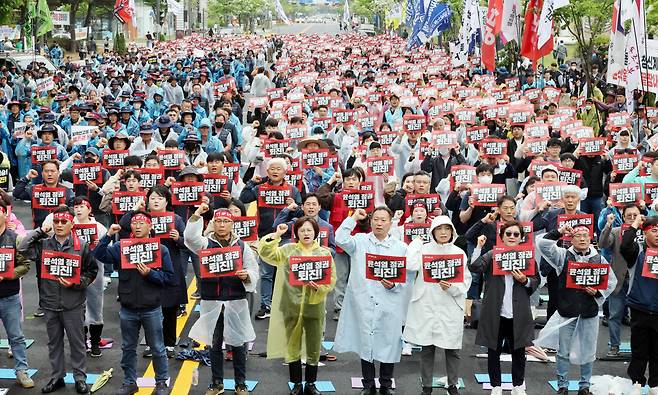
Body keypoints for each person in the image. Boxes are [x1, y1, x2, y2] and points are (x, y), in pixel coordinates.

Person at [18, 206, 97, 394]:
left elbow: (91, 272)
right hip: (50, 303)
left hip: (73, 303)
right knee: (54, 343)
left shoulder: (81, 245)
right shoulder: (44, 244)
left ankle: (80, 378)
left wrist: (76, 283)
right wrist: (41, 230)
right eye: (56, 221)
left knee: (77, 343)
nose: (59, 225)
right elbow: (22, 247)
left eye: (63, 221)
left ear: (72, 223)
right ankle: (57, 377)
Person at [94, 211, 174, 395]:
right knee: (128, 348)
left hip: (151, 307)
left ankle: (161, 382)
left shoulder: (160, 249)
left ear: (150, 226)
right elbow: (99, 254)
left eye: (141, 223)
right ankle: (130, 382)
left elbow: (169, 278)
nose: (137, 226)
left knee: (158, 348)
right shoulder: (121, 246)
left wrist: (151, 274)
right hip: (128, 307)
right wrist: (107, 235)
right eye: (134, 223)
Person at [335, 207, 412, 395]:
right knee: (366, 343)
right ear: (370, 221)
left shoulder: (400, 247)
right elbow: (339, 238)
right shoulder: (360, 241)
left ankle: (386, 384)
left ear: (390, 222)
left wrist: (394, 285)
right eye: (375, 219)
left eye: (383, 220)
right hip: (364, 301)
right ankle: (368, 384)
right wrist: (353, 218)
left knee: (389, 342)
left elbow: (408, 277)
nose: (379, 223)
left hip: (389, 301)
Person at [185, 206, 258, 395]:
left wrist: (247, 276)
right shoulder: (205, 244)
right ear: (212, 223)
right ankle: (216, 383)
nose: (222, 225)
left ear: (232, 224)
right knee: (214, 344)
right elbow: (190, 238)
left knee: (239, 344)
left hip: (236, 300)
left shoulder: (242, 246)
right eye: (218, 221)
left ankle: (240, 383)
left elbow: (253, 268)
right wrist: (196, 215)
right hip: (212, 301)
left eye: (226, 221)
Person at [536, 223, 617, 395]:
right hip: (567, 311)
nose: (582, 239)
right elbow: (542, 244)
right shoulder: (562, 256)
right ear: (571, 239)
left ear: (590, 239)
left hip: (589, 312)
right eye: (578, 236)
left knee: (588, 351)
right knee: (563, 351)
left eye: (585, 236)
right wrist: (558, 232)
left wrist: (597, 292)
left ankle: (584, 386)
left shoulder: (599, 259)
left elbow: (611, 282)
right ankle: (563, 386)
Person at [258, 217, 336, 395]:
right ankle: (296, 384)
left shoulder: (324, 254)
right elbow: (265, 252)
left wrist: (321, 287)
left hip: (314, 306)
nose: (306, 234)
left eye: (309, 230)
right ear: (296, 233)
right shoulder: (288, 250)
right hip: (290, 306)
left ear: (316, 232)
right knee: (292, 345)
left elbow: (331, 280)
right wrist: (276, 234)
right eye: (302, 230)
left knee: (314, 345)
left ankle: (310, 383)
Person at [469, 221, 540, 395]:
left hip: (518, 311)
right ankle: (496, 386)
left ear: (522, 237)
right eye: (508, 234)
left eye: (516, 234)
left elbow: (536, 280)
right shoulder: (493, 254)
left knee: (519, 351)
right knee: (494, 350)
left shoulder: (527, 256)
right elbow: (475, 267)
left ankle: (518, 385)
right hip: (495, 311)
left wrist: (525, 281)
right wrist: (478, 247)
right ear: (501, 236)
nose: (512, 237)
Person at [404, 215, 471, 395]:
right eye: (439, 229)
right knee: (427, 348)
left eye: (447, 229)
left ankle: (452, 385)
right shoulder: (424, 250)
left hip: (450, 305)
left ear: (452, 232)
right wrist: (416, 243)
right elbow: (410, 265)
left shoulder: (459, 253)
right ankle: (426, 386)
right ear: (432, 232)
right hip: (427, 305)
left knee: (452, 349)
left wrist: (453, 288)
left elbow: (466, 280)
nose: (443, 232)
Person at [619, 215, 658, 395]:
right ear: (645, 233)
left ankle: (656, 383)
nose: (657, 235)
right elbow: (625, 245)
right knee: (639, 349)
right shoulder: (637, 252)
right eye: (654, 231)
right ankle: (637, 381)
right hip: (639, 308)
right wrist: (635, 224)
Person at [598, 204, 641, 357]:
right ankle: (614, 346)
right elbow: (602, 243)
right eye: (628, 215)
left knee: (638, 318)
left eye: (635, 215)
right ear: (623, 217)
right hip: (618, 280)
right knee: (615, 315)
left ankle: (639, 348)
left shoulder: (647, 232)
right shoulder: (616, 232)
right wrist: (608, 224)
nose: (632, 218)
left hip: (639, 282)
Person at [0, 200, 35, 388]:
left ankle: (22, 371)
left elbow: (25, 265)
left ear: (6, 215)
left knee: (16, 337)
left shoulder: (15, 238)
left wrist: (8, 275)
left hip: (9, 296)